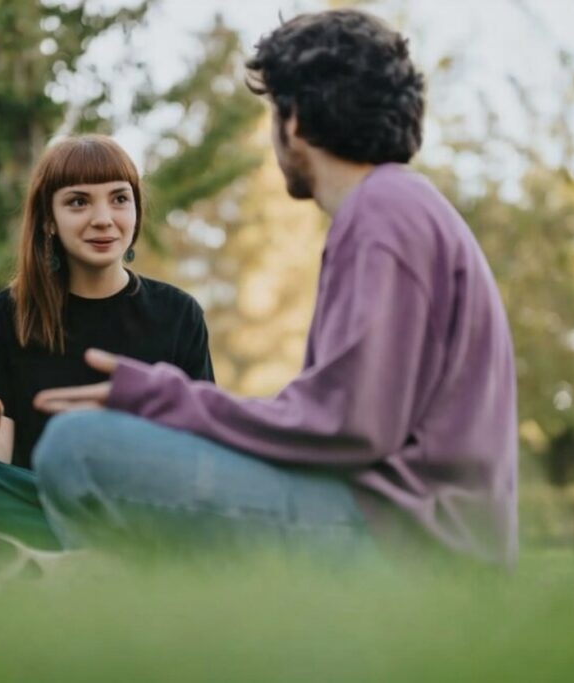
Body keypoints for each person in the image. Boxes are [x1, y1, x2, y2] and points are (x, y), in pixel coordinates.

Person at [30, 9, 518, 566]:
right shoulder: (403, 206)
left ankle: (104, 598)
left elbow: (349, 426)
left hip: (408, 544)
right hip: (411, 529)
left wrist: (165, 399)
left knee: (78, 448)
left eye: (273, 114)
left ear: (294, 121)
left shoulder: (382, 213)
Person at [0, 135, 214, 553]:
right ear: (49, 219)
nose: (104, 218)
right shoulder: (6, 316)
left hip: (142, 515)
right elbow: (2, 451)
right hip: (43, 514)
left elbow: (200, 451)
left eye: (119, 199)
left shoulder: (179, 315)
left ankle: (93, 567)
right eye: (78, 202)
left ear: (136, 210)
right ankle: (83, 567)